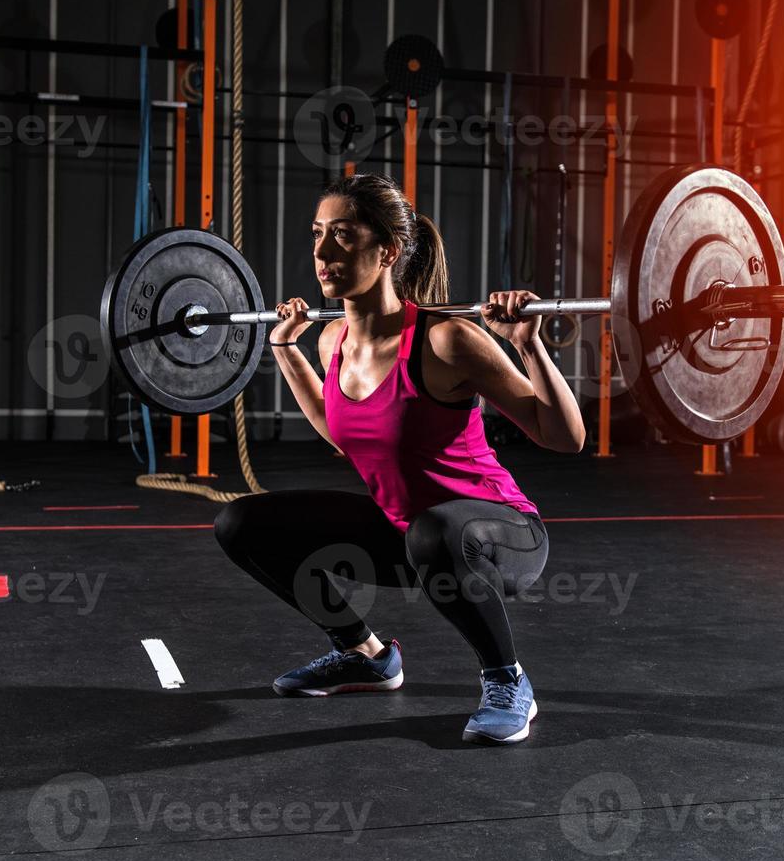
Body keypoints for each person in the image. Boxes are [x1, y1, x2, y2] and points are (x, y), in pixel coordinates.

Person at [213, 173, 585, 745]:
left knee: (435, 532)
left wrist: (526, 342)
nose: (322, 252)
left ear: (386, 251)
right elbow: (344, 433)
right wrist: (285, 350)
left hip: (501, 536)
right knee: (241, 523)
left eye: (343, 235)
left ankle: (507, 681)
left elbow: (564, 438)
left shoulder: (447, 340)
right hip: (411, 535)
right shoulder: (331, 341)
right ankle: (364, 655)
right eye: (316, 235)